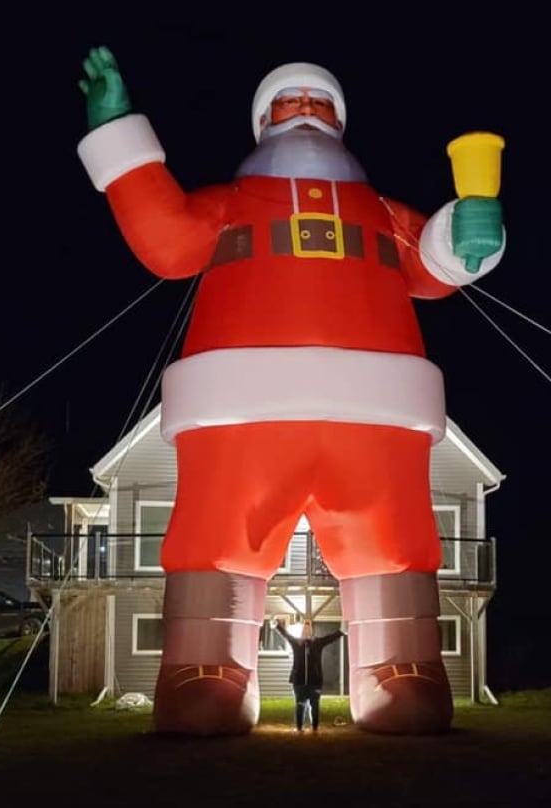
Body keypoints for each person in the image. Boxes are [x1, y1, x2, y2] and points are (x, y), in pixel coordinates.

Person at [77, 47, 505, 737]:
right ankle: (205, 670)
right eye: (288, 102)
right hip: (243, 409)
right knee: (218, 532)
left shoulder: (380, 213)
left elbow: (433, 261)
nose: (304, 110)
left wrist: (473, 228)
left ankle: (401, 668)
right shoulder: (229, 206)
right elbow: (165, 240)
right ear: (261, 122)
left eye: (319, 102)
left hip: (377, 413)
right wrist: (120, 131)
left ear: (339, 122)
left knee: (391, 537)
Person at [272, 617, 344, 732]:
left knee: (314, 705)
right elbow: (285, 635)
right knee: (300, 704)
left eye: (309, 627)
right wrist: (276, 626)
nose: (307, 630)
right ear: (302, 630)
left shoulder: (318, 643)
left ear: (312, 630)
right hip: (299, 681)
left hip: (315, 681)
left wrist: (341, 632)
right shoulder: (296, 643)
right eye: (305, 628)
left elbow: (330, 638)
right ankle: (299, 728)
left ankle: (315, 728)